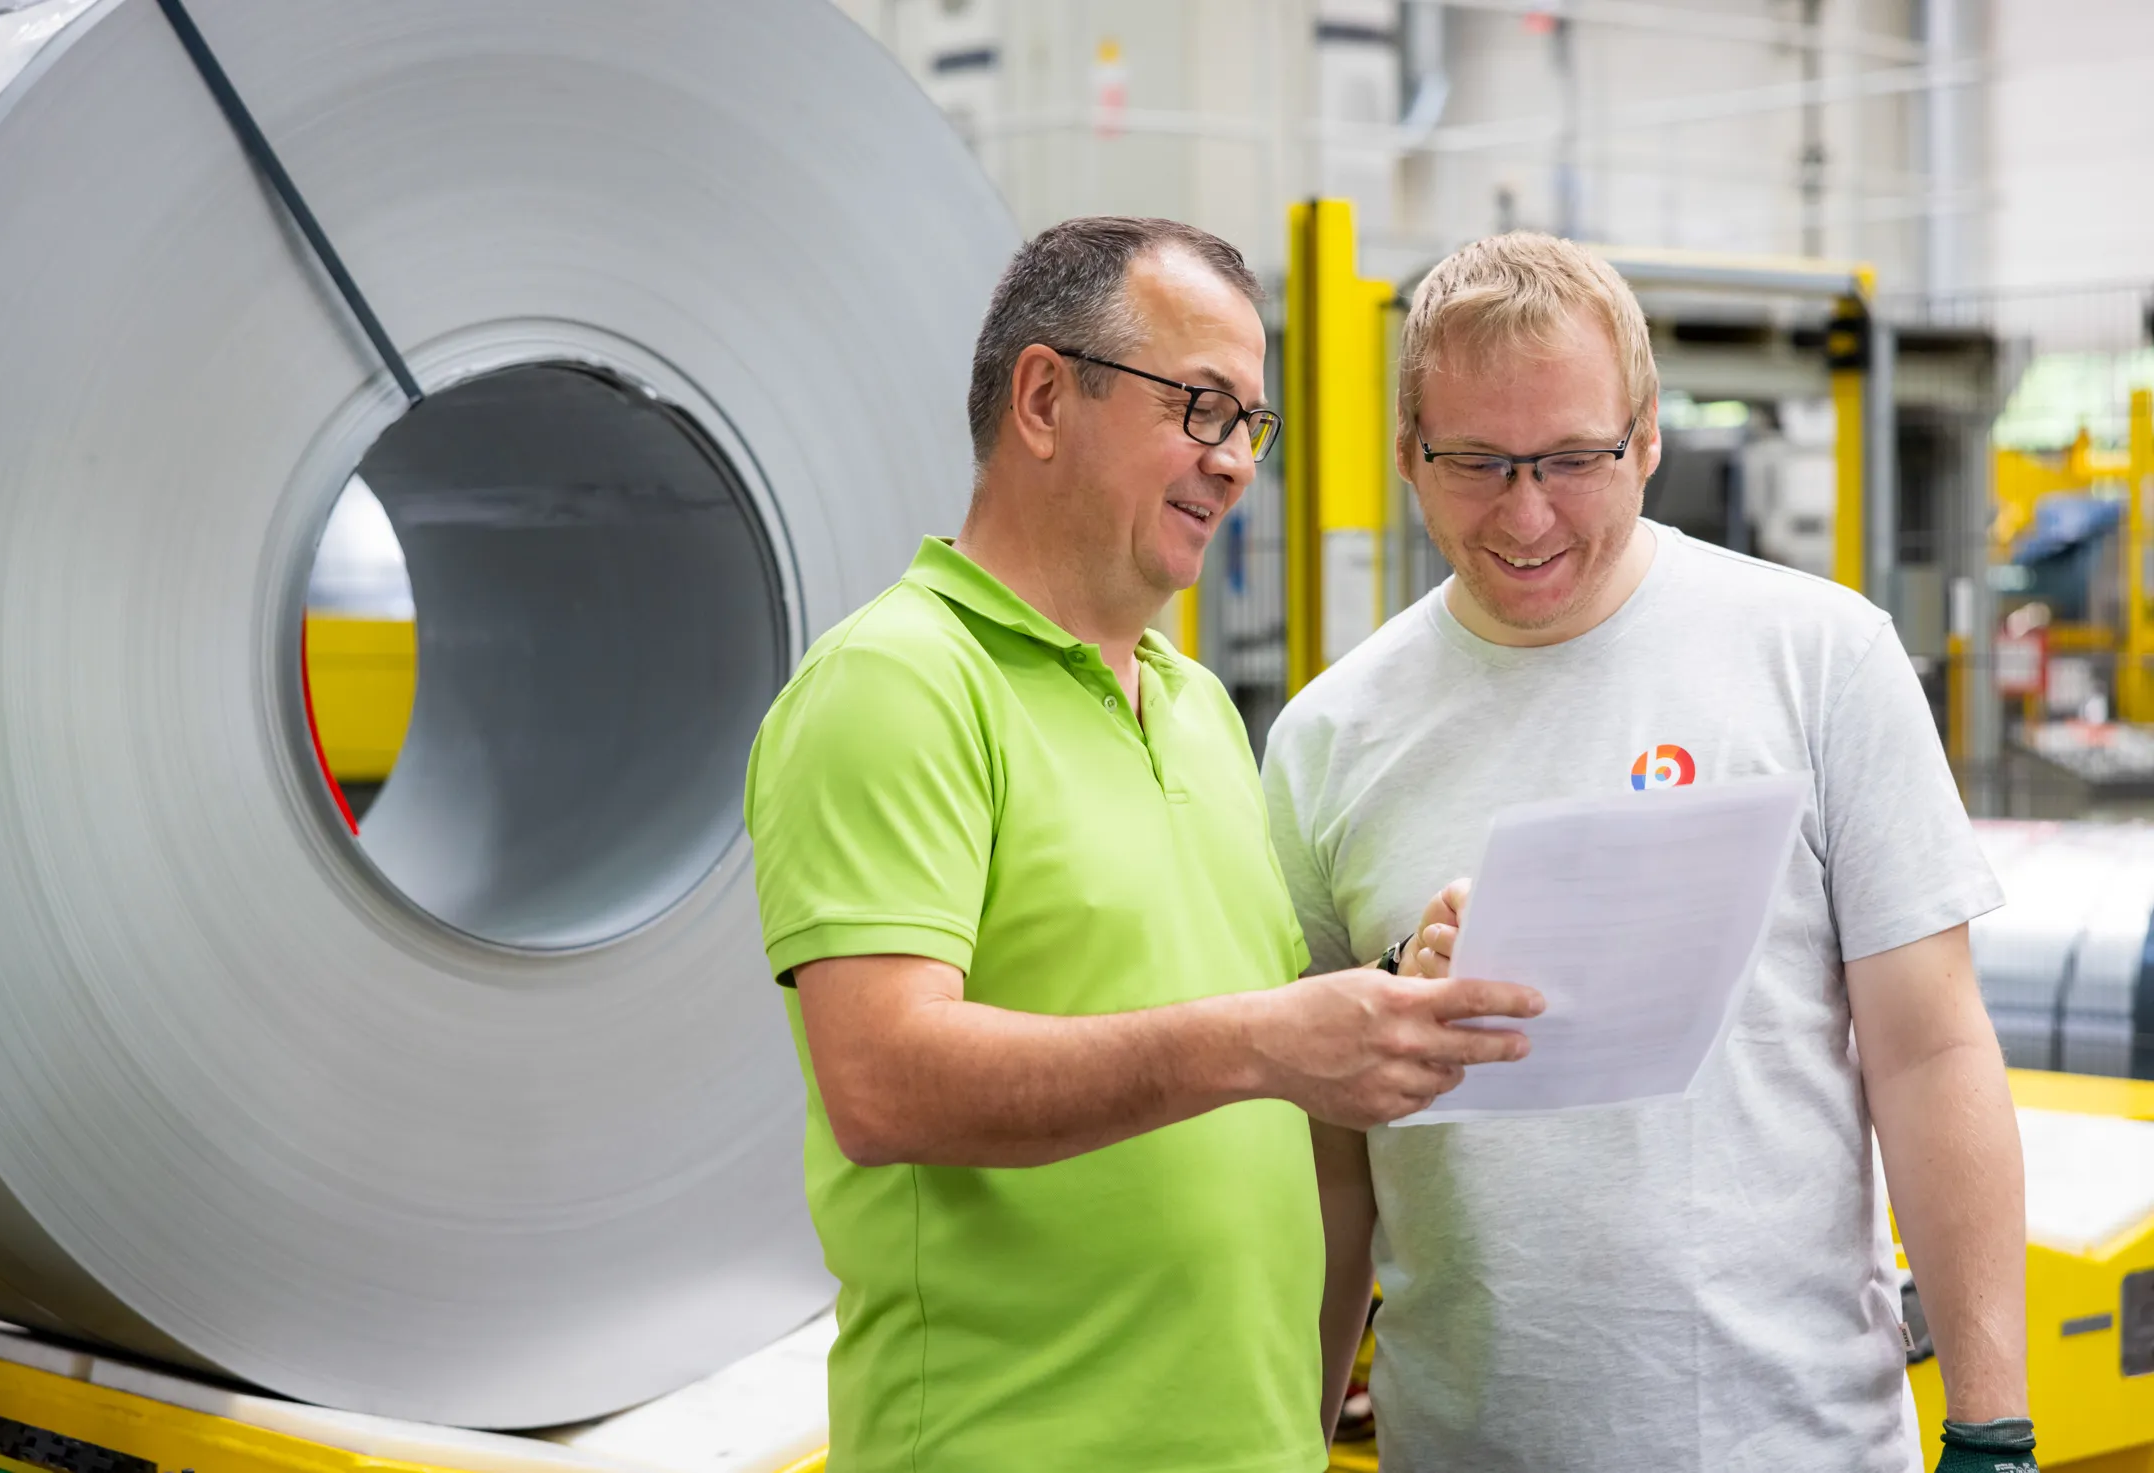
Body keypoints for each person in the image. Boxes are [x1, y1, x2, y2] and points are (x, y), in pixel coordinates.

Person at [744, 216, 1544, 1473]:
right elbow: (882, 1083)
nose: (1233, 464)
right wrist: (1269, 1039)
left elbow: (1235, 1043)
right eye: (1200, 408)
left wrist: (1390, 999)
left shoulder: (1196, 710)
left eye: (1250, 425)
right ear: (1044, 399)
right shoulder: (898, 684)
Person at [1262, 232, 2034, 1472]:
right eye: (1477, 463)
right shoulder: (1329, 740)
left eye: (1574, 459)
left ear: (1649, 438)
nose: (1526, 514)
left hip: (1797, 1445)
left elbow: (1932, 1050)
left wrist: (1993, 1430)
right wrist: (1289, 1443)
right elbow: (1326, 1160)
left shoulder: (1817, 660)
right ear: (1407, 452)